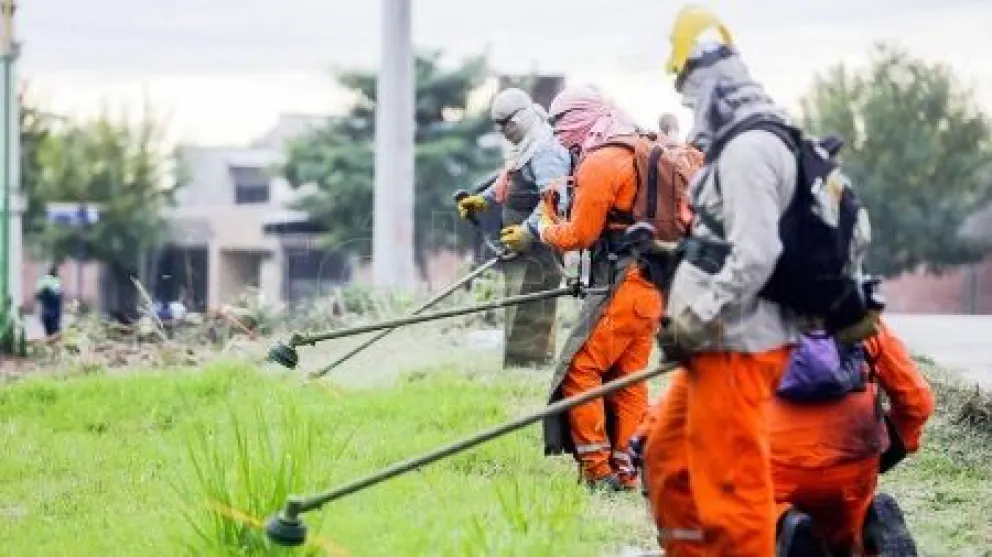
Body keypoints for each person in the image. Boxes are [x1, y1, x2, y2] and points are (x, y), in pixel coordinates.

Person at [643, 6, 801, 554]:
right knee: (669, 461)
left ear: (710, 74)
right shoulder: (737, 144)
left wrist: (691, 313)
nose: (684, 98)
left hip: (735, 344)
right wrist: (674, 260)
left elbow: (756, 256)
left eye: (686, 82)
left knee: (731, 491)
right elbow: (727, 240)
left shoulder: (751, 149)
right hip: (714, 342)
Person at [502, 85, 689, 491]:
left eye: (563, 123)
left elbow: (579, 235)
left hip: (623, 283)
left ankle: (598, 470)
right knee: (627, 377)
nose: (561, 134)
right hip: (653, 282)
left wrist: (544, 230)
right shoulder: (636, 144)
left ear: (582, 118)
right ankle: (629, 467)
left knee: (581, 369)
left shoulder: (601, 161)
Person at [456, 87, 569, 368]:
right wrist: (482, 201)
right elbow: (509, 179)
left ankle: (531, 366)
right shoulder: (525, 147)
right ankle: (519, 363)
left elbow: (554, 201)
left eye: (504, 126)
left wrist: (528, 231)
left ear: (516, 122)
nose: (502, 133)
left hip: (540, 244)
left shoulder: (546, 150)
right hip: (520, 246)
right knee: (519, 302)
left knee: (535, 303)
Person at [35, 264, 64, 339]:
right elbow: (59, 295)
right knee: (54, 331)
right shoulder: (57, 280)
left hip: (45, 309)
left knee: (48, 332)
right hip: (54, 309)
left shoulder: (42, 280)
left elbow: (37, 295)